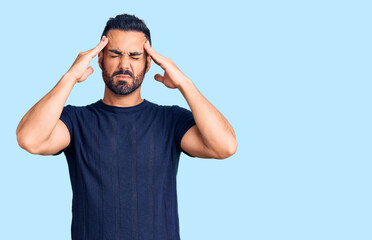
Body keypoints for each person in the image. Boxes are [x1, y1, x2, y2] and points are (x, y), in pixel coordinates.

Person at [16, 13, 237, 240]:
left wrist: (184, 83)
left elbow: (225, 146)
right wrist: (69, 76)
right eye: (115, 54)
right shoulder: (76, 121)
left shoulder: (169, 120)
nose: (124, 64)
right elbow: (29, 139)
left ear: (148, 62)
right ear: (100, 59)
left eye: (134, 56)